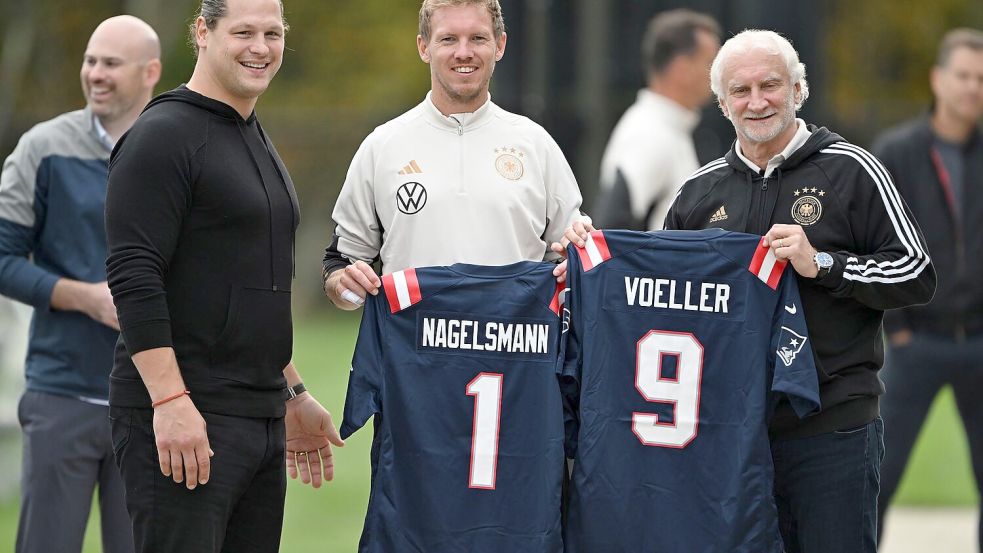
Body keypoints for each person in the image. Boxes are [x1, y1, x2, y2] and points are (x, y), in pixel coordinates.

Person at [657, 30, 936, 552]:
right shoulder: (698, 194)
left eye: (771, 85)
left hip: (834, 428)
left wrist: (823, 264)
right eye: (741, 91)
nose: (757, 101)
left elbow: (916, 272)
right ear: (721, 103)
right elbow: (660, 297)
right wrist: (583, 263)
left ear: (799, 90)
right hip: (732, 433)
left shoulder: (854, 170)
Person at [104, 1, 343, 552]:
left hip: (258, 417)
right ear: (203, 32)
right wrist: (169, 403)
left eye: (272, 33)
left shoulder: (249, 132)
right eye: (243, 32)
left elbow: (248, 284)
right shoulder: (162, 135)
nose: (260, 47)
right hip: (189, 417)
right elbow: (134, 275)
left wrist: (292, 393)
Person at [0, 15, 160, 553]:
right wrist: (84, 298)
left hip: (152, 404)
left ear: (150, 72)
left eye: (111, 63)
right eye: (90, 60)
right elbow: (2, 259)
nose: (95, 73)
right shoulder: (41, 149)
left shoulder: (175, 153)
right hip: (61, 394)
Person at [322, 0, 587, 308]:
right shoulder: (382, 146)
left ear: (499, 45)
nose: (464, 52)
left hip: (511, 353)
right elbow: (340, 266)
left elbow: (570, 257)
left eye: (478, 38)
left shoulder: (536, 145)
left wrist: (578, 253)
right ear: (424, 47)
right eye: (448, 39)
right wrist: (347, 286)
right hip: (411, 353)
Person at [873, 28, 983, 550]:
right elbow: (873, 242)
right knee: (881, 473)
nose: (973, 88)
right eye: (963, 75)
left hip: (980, 341)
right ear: (938, 79)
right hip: (915, 342)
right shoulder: (897, 152)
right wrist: (896, 329)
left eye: (982, 79)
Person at [593, 9, 720, 231]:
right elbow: (612, 226)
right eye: (710, 62)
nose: (719, 73)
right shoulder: (649, 132)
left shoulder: (665, 128)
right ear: (682, 68)